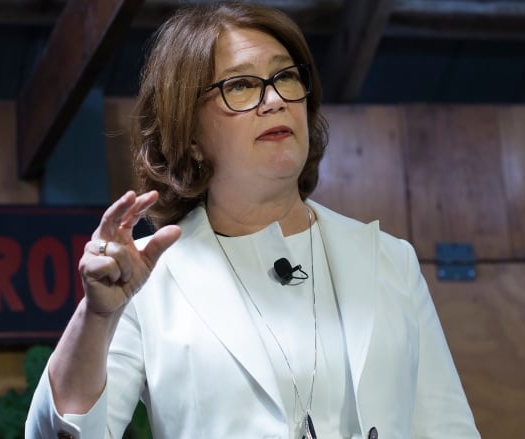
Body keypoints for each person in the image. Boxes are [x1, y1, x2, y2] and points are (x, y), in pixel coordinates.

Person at [26, 2, 480, 438]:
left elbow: (447, 429)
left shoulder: (389, 259)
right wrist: (97, 315)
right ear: (192, 135)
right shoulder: (152, 282)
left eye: (285, 76)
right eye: (240, 86)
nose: (274, 99)